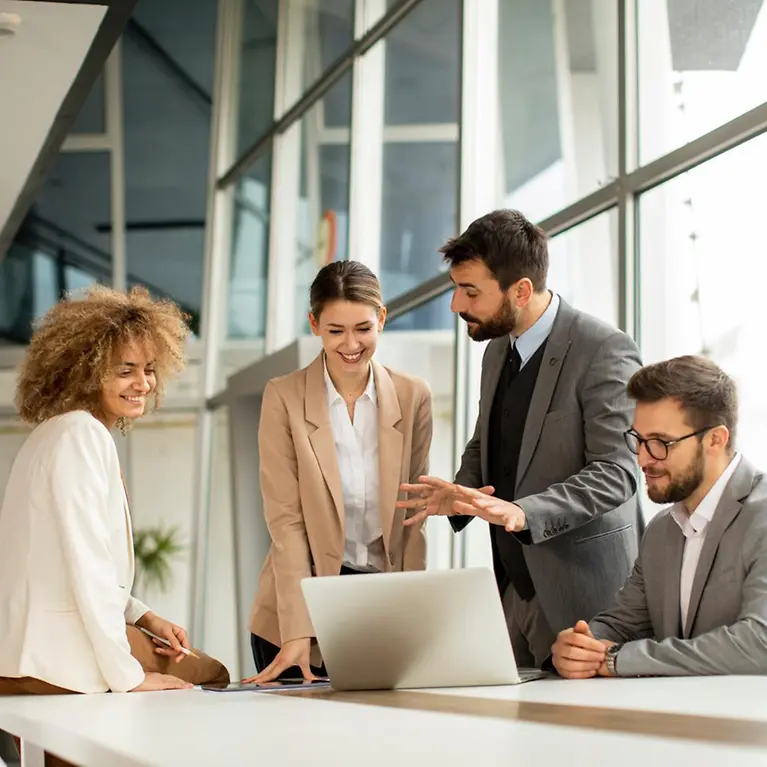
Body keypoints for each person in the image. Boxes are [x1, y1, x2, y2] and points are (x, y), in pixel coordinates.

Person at [399, 209, 643, 667]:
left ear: (522, 290)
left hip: (587, 598)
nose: (456, 305)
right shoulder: (496, 350)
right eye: (456, 288)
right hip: (513, 588)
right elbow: (487, 438)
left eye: (470, 292)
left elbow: (618, 472)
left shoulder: (603, 349)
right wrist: (459, 492)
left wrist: (522, 512)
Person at [0, 286, 229, 713]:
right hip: (58, 661)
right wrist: (128, 676)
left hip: (21, 656)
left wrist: (143, 616)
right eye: (125, 370)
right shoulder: (82, 435)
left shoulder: (52, 434)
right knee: (211, 673)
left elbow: (63, 561)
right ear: (85, 371)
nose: (142, 383)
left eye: (148, 369)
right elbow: (87, 564)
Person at [246, 260, 433, 683]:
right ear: (314, 324)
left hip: (379, 604)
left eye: (363, 329)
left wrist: (414, 619)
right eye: (336, 331)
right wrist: (298, 630)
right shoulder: (284, 397)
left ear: (382, 318)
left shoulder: (413, 395)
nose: (352, 344)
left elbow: (413, 517)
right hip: (299, 609)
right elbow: (286, 522)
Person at [551, 356, 767, 678]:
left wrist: (617, 660)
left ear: (715, 439)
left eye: (660, 443)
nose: (642, 458)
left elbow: (758, 645)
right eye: (638, 440)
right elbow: (621, 623)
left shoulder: (761, 515)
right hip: (674, 719)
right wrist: (580, 646)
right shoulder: (662, 529)